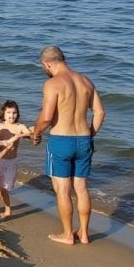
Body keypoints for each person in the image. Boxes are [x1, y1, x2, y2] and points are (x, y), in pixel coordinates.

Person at [31, 46, 105, 245]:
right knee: (81, 188)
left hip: (61, 140)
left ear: (47, 63)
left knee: (62, 190)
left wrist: (36, 132)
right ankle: (84, 233)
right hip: (84, 140)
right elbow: (100, 112)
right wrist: (90, 134)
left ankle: (67, 234)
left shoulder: (52, 84)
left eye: (43, 67)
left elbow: (46, 117)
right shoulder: (86, 81)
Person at [0, 100, 33, 219]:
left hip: (11, 162)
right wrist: (4, 141)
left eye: (14, 112)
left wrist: (26, 134)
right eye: (8, 112)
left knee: (4, 188)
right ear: (3, 114)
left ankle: (8, 209)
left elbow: (30, 134)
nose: (11, 115)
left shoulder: (20, 127)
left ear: (17, 114)